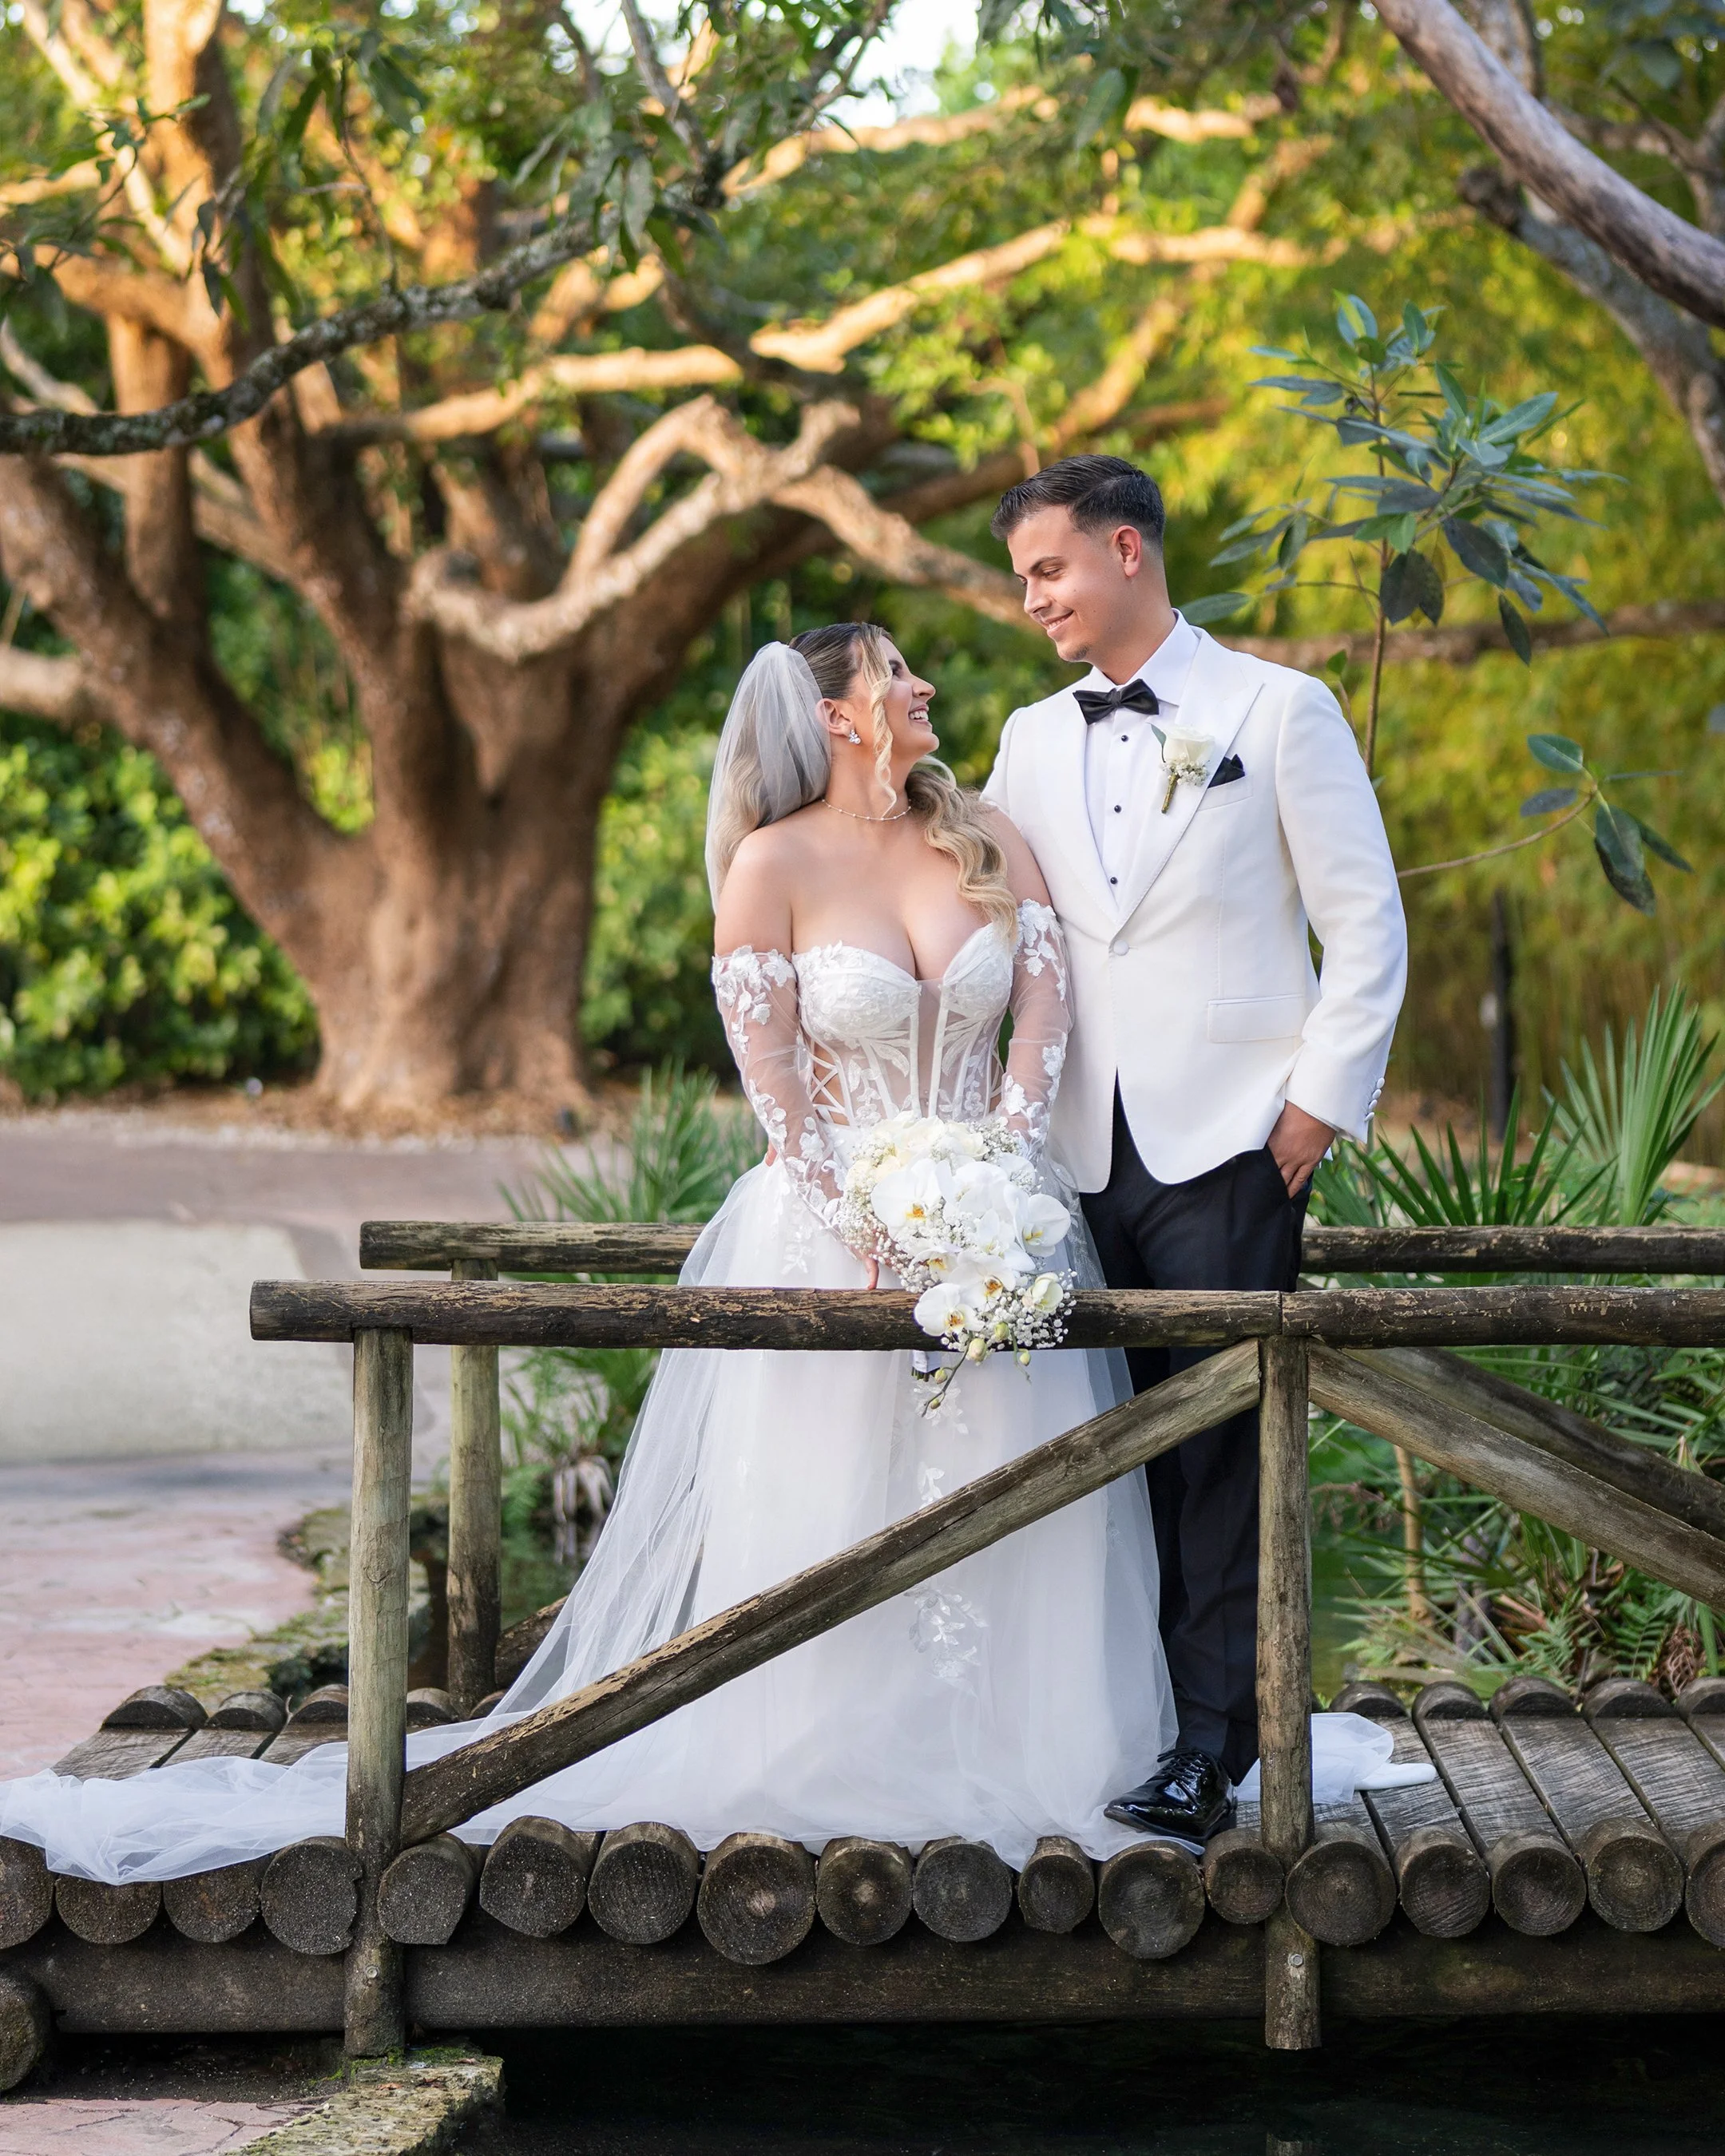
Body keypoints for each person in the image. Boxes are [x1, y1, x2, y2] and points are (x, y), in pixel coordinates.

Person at [0, 624, 1178, 1879]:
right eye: (896, 670)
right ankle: (831, 1751)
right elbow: (776, 1084)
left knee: (1015, 1495)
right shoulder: (770, 866)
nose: (923, 684)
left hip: (1003, 1239)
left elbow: (1044, 1005)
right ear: (836, 715)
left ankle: (1013, 1746)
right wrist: (874, 1228)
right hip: (836, 1235)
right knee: (835, 1507)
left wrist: (998, 1169)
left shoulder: (983, 836)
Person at [984, 455, 1407, 1842]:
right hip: (1070, 1154)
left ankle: (1210, 1756)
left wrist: (1314, 1109)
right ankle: (1108, 1724)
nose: (1032, 598)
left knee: (1220, 1456)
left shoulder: (1280, 711)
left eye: (1047, 569)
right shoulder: (1030, 739)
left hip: (1232, 1144)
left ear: (1124, 549)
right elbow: (996, 919)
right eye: (1023, 578)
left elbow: (1369, 927)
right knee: (1093, 1454)